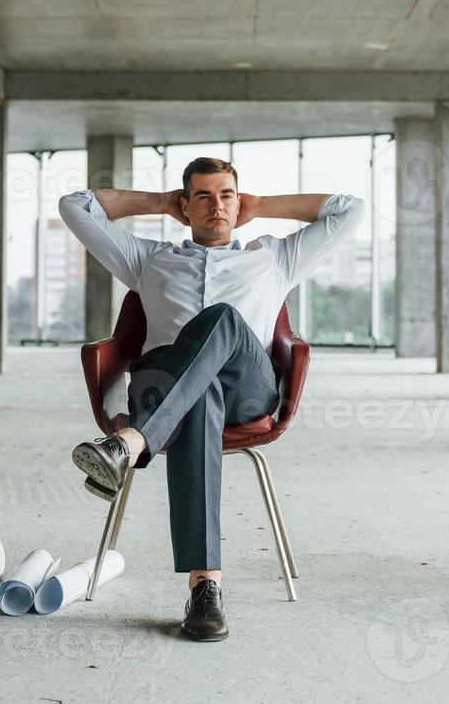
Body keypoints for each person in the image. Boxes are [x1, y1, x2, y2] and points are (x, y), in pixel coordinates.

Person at [58, 156, 366, 641]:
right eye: (202, 196)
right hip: (171, 392)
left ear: (239, 201)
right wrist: (160, 203)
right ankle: (205, 591)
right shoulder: (148, 257)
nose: (216, 206)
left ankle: (130, 445)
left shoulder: (274, 256)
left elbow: (349, 209)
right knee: (200, 397)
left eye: (226, 195)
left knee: (222, 318)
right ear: (185, 205)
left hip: (248, 386)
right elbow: (75, 206)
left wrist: (260, 206)